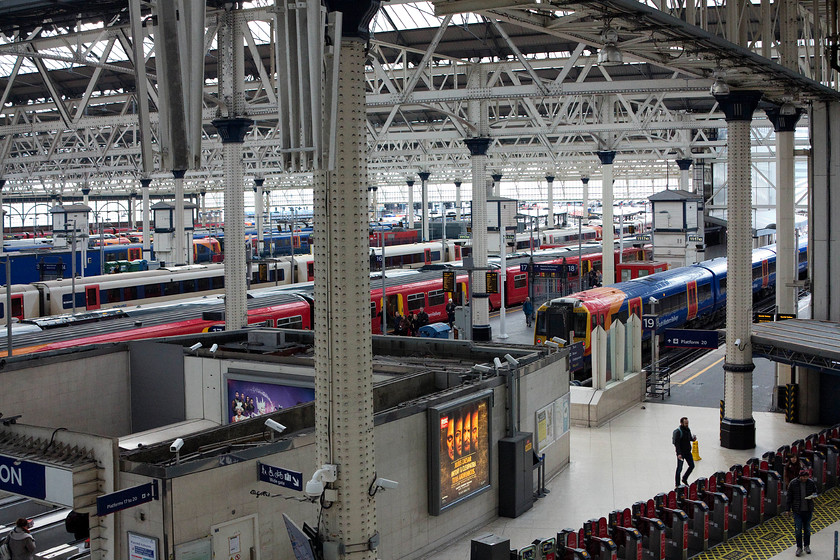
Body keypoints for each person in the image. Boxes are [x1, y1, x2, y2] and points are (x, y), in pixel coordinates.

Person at [786, 468, 817, 556]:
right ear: (800, 476)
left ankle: (807, 545)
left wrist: (813, 496)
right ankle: (799, 547)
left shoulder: (811, 483)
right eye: (803, 477)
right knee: (798, 530)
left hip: (808, 510)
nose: (805, 478)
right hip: (797, 511)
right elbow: (789, 497)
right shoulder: (793, 483)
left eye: (806, 476)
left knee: (807, 529)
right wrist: (787, 509)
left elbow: (815, 492)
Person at [673, 417, 697, 487]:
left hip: (688, 452)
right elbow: (677, 444)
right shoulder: (678, 432)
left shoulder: (688, 429)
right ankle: (677, 484)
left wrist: (693, 439)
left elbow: (689, 438)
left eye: (687, 423)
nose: (687, 424)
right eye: (685, 423)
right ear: (681, 423)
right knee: (679, 468)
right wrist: (679, 454)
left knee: (692, 465)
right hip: (681, 453)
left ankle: (684, 478)